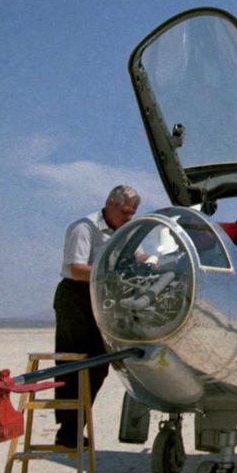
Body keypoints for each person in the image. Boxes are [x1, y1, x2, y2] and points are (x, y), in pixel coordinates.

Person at [53, 185, 140, 447]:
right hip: (76, 298)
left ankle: (75, 426)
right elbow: (75, 268)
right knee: (75, 362)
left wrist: (151, 261)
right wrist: (108, 275)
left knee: (100, 365)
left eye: (132, 214)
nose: (128, 218)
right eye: (125, 212)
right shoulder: (85, 227)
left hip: (100, 298)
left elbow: (136, 255)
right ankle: (68, 431)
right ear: (110, 204)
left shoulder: (121, 232)